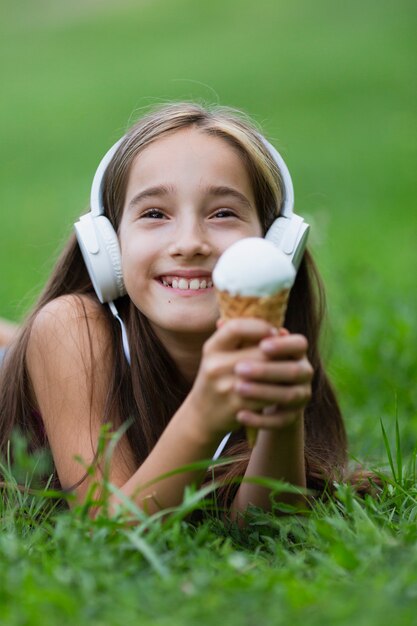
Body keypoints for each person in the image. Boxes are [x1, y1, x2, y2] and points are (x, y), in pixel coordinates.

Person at [0, 102, 348, 519]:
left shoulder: (269, 341)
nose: (189, 242)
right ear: (109, 245)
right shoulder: (68, 328)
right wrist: (204, 414)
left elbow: (266, 526)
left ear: (277, 245)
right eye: (153, 214)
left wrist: (280, 420)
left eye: (222, 213)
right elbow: (105, 527)